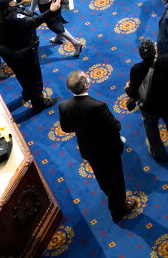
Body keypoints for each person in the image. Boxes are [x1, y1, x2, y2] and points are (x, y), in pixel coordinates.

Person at [59, 70, 139, 222]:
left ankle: (109, 193)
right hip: (108, 149)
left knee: (101, 175)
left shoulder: (64, 106)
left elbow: (66, 128)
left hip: (88, 149)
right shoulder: (98, 106)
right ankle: (118, 210)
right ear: (87, 85)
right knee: (116, 179)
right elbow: (115, 126)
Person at [125, 39, 168, 162]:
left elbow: (134, 93)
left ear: (140, 54)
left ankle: (159, 154)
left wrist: (127, 89)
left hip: (150, 108)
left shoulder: (136, 69)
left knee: (152, 129)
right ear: (155, 51)